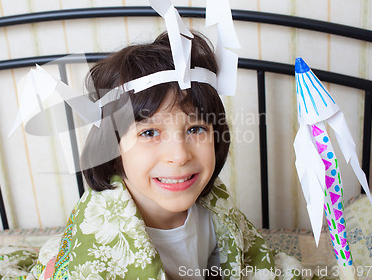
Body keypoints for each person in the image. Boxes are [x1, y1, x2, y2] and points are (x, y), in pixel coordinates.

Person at [36, 32, 302, 280]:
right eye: (150, 133)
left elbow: (247, 263)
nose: (179, 156)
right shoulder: (100, 235)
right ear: (113, 149)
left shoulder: (215, 210)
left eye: (196, 129)